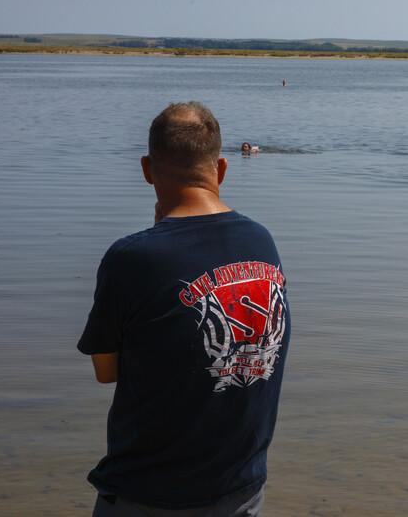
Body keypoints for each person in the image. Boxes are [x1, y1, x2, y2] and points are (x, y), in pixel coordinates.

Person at [78, 102, 289, 517]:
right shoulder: (262, 243)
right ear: (222, 169)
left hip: (149, 495)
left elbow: (107, 371)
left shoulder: (131, 259)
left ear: (147, 170)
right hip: (241, 491)